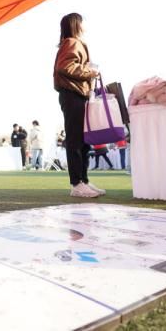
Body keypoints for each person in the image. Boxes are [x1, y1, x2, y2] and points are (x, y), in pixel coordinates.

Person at [53, 13, 105, 198]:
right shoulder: (72, 43)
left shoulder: (71, 43)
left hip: (77, 95)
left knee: (82, 142)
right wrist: (90, 72)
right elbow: (64, 67)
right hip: (73, 95)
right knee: (76, 140)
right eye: (82, 22)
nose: (84, 26)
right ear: (77, 25)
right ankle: (76, 183)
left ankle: (83, 180)